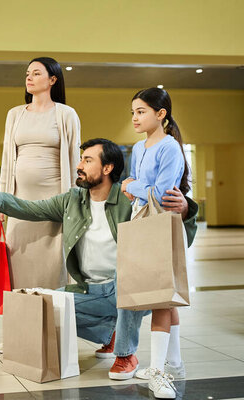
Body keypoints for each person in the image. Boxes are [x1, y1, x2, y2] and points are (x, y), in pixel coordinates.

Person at [0, 138, 198, 385]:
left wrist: (186, 210)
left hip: (130, 289)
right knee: (48, 307)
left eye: (87, 160)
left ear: (107, 168)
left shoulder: (129, 199)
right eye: (81, 159)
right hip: (90, 290)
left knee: (126, 282)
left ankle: (126, 355)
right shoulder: (73, 199)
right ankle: (110, 333)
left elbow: (163, 224)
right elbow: (32, 209)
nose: (79, 165)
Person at [0, 57, 80, 354]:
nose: (29, 78)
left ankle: (50, 333)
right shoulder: (15, 114)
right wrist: (1, 202)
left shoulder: (66, 114)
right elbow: (8, 160)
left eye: (36, 73)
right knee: (17, 269)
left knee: (51, 270)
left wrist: (72, 204)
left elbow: (73, 160)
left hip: (53, 204)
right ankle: (17, 333)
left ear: (52, 79)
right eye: (27, 73)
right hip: (18, 204)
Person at [121, 88, 190, 399]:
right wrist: (137, 187)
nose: (135, 117)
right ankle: (174, 363)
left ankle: (159, 371)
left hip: (162, 224)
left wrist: (132, 186)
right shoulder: (138, 147)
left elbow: (161, 193)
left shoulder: (170, 147)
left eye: (141, 111)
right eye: (133, 112)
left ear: (160, 114)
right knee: (164, 294)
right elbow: (140, 188)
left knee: (162, 297)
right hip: (143, 223)